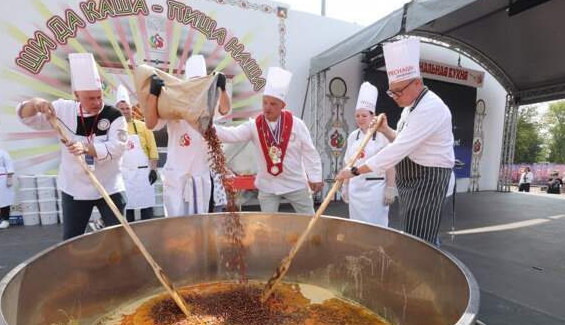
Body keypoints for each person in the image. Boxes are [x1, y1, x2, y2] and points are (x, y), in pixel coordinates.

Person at [337, 37, 454, 244]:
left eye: (399, 90)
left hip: (427, 179)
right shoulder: (410, 108)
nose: (395, 96)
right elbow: (400, 139)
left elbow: (397, 150)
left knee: (421, 238)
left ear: (417, 83)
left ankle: (424, 273)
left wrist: (355, 171)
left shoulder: (430, 108)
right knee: (413, 230)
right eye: (392, 91)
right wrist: (386, 129)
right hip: (411, 177)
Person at [17, 53, 128, 240]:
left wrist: (87, 148)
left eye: (99, 97)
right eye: (90, 98)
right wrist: (36, 104)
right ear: (76, 95)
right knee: (72, 239)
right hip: (74, 187)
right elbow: (27, 117)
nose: (97, 103)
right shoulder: (62, 109)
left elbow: (118, 147)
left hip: (109, 185)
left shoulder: (114, 115)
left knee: (120, 237)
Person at [213, 67, 323, 214]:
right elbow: (232, 135)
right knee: (268, 225)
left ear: (283, 106)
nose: (267, 107)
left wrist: (315, 177)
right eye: (265, 102)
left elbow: (309, 152)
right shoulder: (254, 126)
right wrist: (208, 127)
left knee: (310, 220)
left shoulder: (297, 125)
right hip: (268, 185)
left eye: (273, 104)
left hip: (295, 183)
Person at [144, 54, 231, 217]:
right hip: (176, 178)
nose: (196, 91)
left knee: (200, 227)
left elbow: (225, 109)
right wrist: (153, 95)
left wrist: (223, 89)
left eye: (200, 85)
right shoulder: (173, 104)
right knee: (176, 229)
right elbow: (150, 124)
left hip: (200, 177)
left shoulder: (208, 105)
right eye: (193, 85)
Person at [341, 82, 396, 226]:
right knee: (357, 227)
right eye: (357, 115)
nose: (360, 119)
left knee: (377, 227)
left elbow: (389, 163)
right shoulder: (353, 136)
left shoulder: (382, 135)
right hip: (356, 190)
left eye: (364, 115)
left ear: (373, 116)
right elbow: (349, 163)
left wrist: (390, 187)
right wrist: (345, 185)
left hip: (375, 191)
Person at [114, 84, 159, 222]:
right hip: (124, 176)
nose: (125, 111)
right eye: (122, 109)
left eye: (127, 108)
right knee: (128, 209)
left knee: (147, 211)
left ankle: (149, 235)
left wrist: (154, 170)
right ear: (116, 110)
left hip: (143, 174)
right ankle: (130, 238)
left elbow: (153, 150)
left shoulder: (143, 126)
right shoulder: (112, 128)